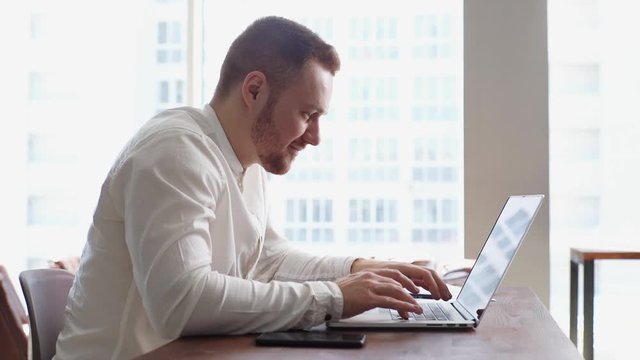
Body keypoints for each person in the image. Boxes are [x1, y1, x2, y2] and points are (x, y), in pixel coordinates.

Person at [54, 16, 452, 359]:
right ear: (255, 89)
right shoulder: (175, 151)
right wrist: (336, 296)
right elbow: (183, 302)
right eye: (307, 114)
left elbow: (267, 261)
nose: (315, 137)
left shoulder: (248, 162)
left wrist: (360, 270)